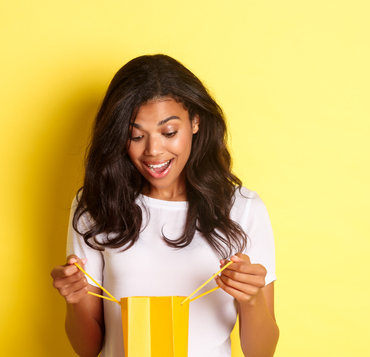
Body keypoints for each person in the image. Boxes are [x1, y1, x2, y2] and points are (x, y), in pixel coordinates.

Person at [50, 54, 279, 357]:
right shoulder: (96, 205)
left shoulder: (243, 209)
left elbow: (261, 353)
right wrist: (75, 299)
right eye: (136, 135)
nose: (153, 151)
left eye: (169, 132)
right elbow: (87, 349)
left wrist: (251, 301)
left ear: (195, 121)